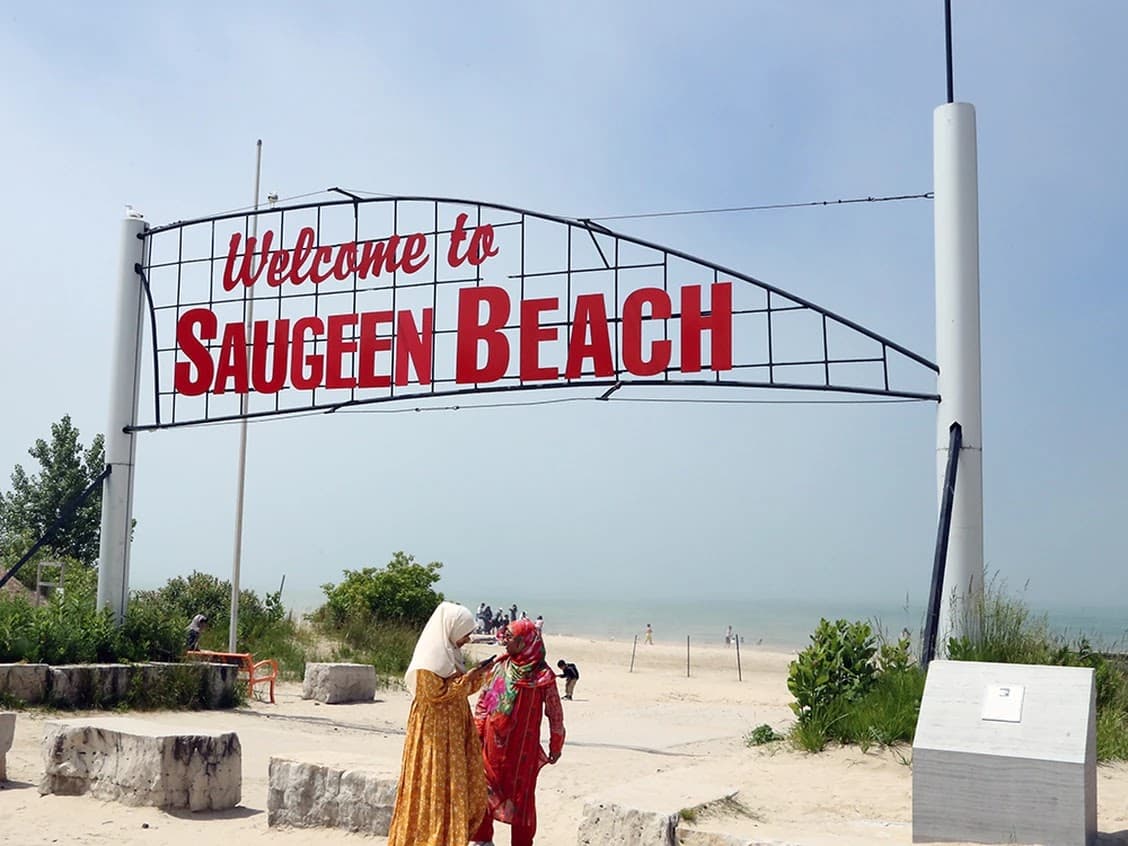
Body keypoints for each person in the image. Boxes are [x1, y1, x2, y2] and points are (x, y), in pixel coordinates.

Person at [387, 602, 496, 846]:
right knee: (435, 781)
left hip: (454, 727)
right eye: (464, 633)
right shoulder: (429, 660)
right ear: (451, 629)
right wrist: (468, 678)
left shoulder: (449, 653)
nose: (467, 639)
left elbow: (461, 689)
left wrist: (477, 675)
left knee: (456, 781)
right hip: (434, 730)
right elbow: (434, 694)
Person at [471, 618, 565, 846]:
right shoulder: (501, 666)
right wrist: (477, 732)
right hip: (492, 746)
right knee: (485, 790)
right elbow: (485, 702)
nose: (504, 641)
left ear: (524, 643)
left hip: (522, 751)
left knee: (522, 799)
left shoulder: (543, 677)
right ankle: (483, 839)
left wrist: (556, 744)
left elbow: (554, 712)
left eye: (510, 637)